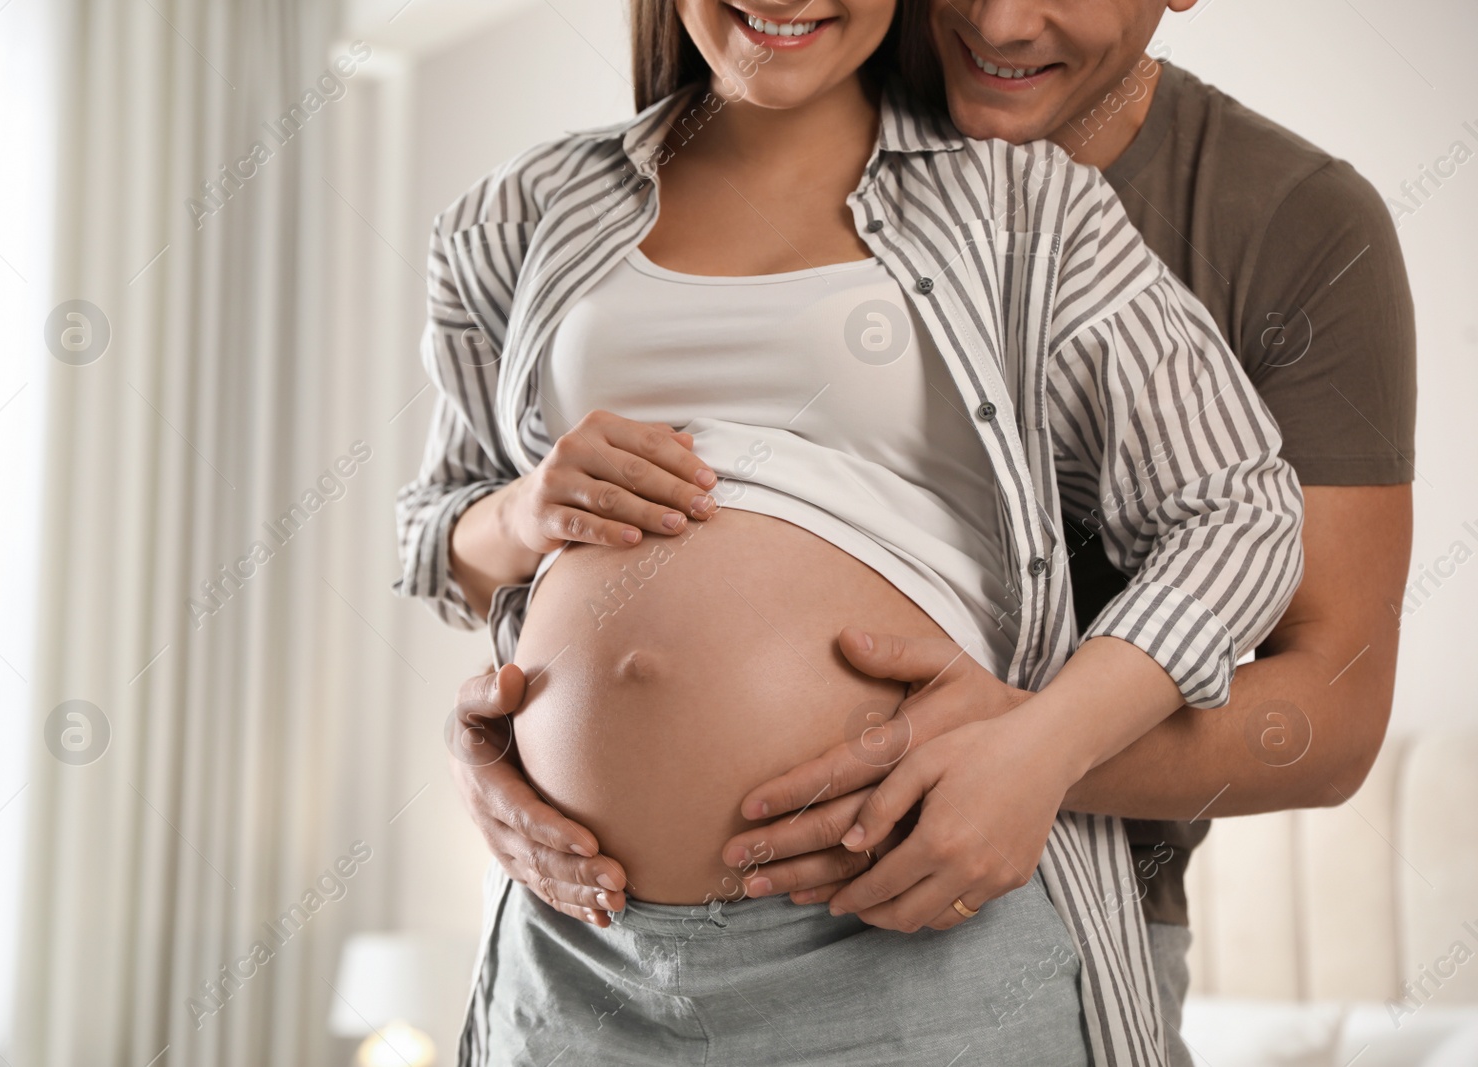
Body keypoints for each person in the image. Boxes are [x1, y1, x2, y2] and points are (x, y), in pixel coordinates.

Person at [398, 1, 1305, 1062]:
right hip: (581, 958)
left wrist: (1044, 745)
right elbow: (432, 536)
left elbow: (1235, 508)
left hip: (909, 939)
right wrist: (521, 509)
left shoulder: (1021, 209)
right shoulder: (516, 215)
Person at [691, 2, 1416, 1064]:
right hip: (651, 945)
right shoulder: (795, 93)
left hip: (1047, 930)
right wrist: (513, 736)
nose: (998, 19)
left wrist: (1033, 752)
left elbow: (1332, 709)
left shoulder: (1289, 221)